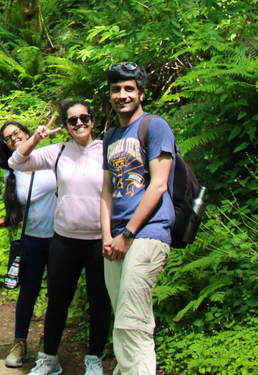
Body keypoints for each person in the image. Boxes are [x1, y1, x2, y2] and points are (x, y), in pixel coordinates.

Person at [9, 100, 112, 375]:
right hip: (64, 239)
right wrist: (36, 138)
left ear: (93, 120)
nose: (79, 123)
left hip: (99, 240)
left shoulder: (107, 150)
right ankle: (49, 358)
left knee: (100, 302)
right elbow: (16, 161)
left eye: (84, 118)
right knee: (57, 302)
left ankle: (94, 359)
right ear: (66, 126)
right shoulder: (57, 152)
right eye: (72, 120)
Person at [100, 62, 175, 375]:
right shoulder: (110, 135)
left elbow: (158, 185)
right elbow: (105, 192)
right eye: (116, 89)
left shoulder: (155, 126)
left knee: (133, 322)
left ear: (141, 93)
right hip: (115, 239)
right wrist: (107, 238)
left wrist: (127, 234)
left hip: (148, 232)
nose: (122, 94)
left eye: (129, 88)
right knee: (124, 320)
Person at [0, 121, 58, 368]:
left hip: (61, 239)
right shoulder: (11, 174)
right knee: (28, 292)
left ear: (26, 133)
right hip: (32, 239)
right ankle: (19, 342)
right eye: (8, 139)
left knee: (57, 294)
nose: (13, 139)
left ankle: (49, 343)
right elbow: (19, 213)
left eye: (16, 133)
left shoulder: (51, 160)